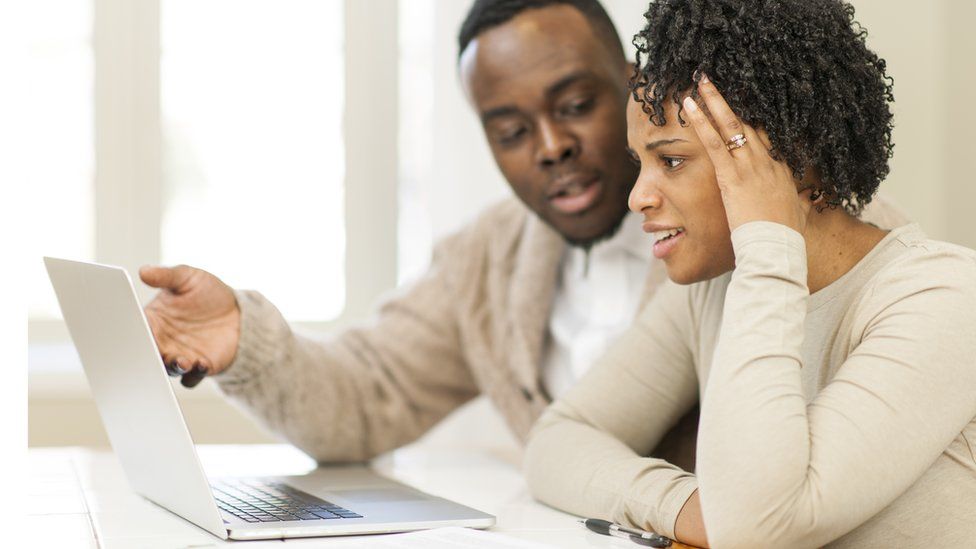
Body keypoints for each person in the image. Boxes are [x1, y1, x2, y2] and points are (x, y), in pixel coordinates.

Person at [139, 0, 904, 467]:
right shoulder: (489, 258)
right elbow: (368, 392)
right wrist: (246, 339)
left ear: (638, 87)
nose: (549, 146)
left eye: (575, 105)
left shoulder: (757, 232)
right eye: (509, 129)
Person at [523, 1, 976, 548]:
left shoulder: (944, 297)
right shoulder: (715, 287)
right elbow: (559, 439)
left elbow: (755, 528)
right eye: (638, 163)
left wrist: (768, 241)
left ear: (791, 158)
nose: (637, 197)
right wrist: (687, 506)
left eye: (671, 161)